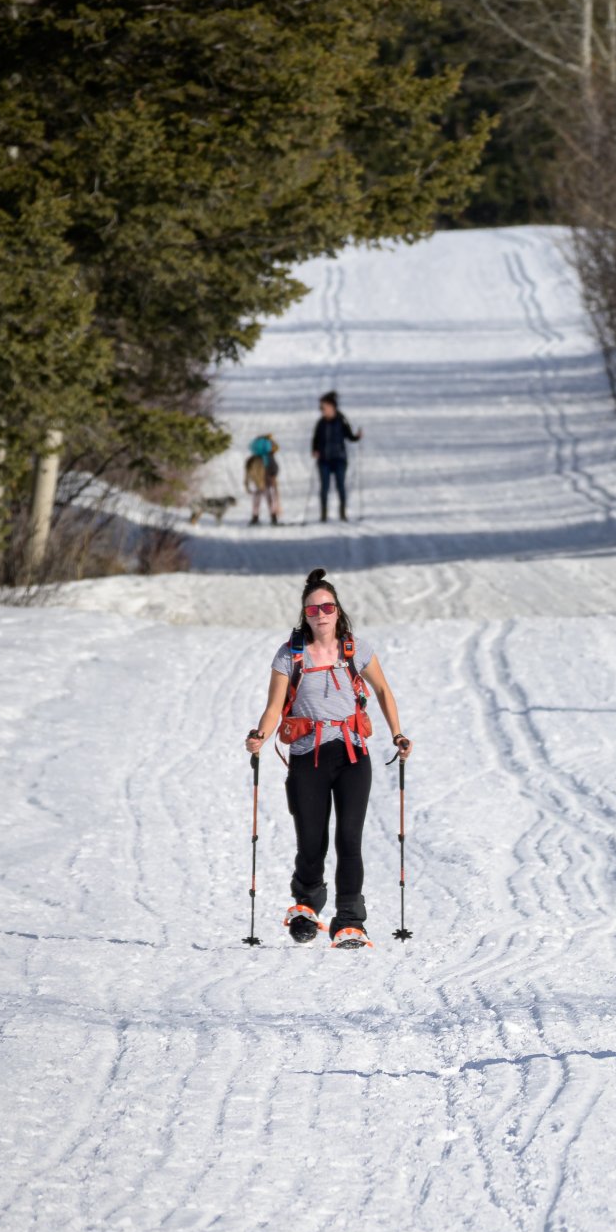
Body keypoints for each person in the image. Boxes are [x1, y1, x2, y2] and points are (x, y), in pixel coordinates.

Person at [245, 568, 411, 947]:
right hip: (308, 755)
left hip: (353, 755)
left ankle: (350, 920)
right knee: (311, 839)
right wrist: (259, 736)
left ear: (338, 610)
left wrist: (398, 734)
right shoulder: (290, 655)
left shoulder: (355, 649)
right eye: (313, 609)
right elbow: (274, 708)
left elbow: (383, 691)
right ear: (305, 614)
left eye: (327, 607)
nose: (321, 614)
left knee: (349, 839)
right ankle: (307, 905)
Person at [311, 390, 361, 522]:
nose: (322, 410)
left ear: (332, 406)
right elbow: (315, 439)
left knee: (340, 486)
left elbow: (350, 436)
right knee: (324, 487)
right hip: (324, 460)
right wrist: (315, 450)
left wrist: (357, 437)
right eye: (321, 408)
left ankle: (342, 513)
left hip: (339, 458)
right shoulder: (320, 423)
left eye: (324, 407)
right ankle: (323, 514)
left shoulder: (341, 421)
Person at [245, 433, 281, 525]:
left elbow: (248, 470)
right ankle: (273, 517)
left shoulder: (253, 458)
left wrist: (247, 483)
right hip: (268, 477)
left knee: (257, 496)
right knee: (270, 496)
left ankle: (255, 517)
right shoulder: (269, 456)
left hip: (257, 478)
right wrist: (274, 474)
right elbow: (274, 468)